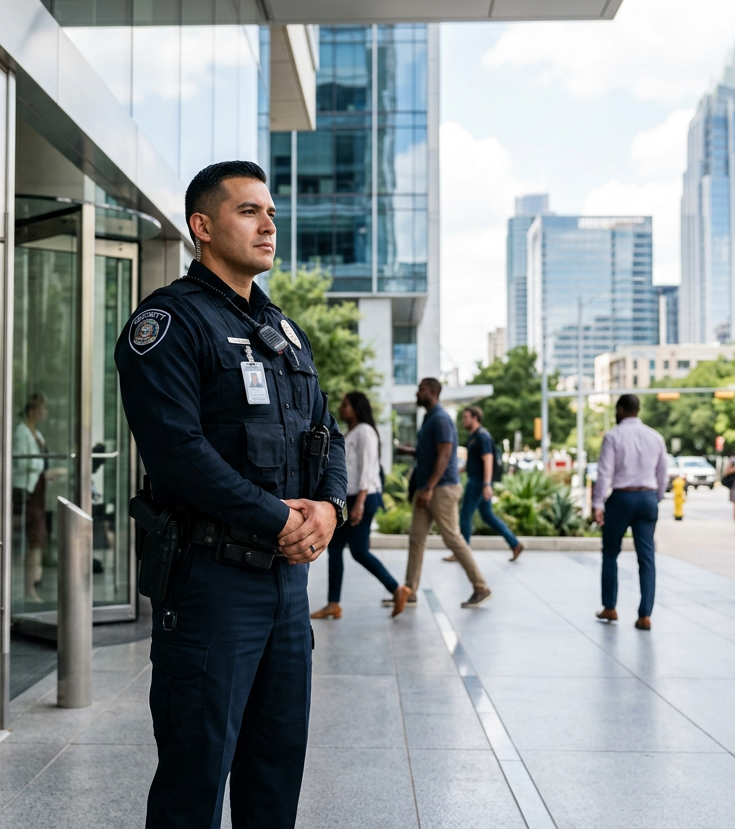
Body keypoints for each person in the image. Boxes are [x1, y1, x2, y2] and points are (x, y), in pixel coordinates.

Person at [115, 161, 347, 829]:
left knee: (275, 772)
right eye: (249, 211)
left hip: (283, 591)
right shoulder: (168, 323)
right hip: (211, 585)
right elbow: (178, 455)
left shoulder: (285, 330)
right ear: (203, 227)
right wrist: (280, 518)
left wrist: (328, 509)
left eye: (270, 212)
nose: (269, 223)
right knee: (196, 776)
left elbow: (325, 434)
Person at [311, 392, 411, 620]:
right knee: (335, 549)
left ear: (357, 408)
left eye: (346, 405)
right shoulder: (352, 432)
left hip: (363, 498)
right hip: (350, 498)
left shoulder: (365, 432)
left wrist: (360, 504)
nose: (341, 408)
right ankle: (333, 604)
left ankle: (397, 589)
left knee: (359, 550)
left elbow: (368, 469)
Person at [401, 378, 491, 608]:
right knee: (416, 539)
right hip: (428, 488)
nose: (417, 392)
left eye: (420, 389)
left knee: (452, 538)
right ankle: (409, 590)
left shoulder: (440, 418)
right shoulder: (430, 418)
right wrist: (413, 451)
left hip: (441, 488)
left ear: (432, 392)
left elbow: (445, 454)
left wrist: (429, 487)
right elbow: (431, 453)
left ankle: (480, 587)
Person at [591, 393, 668, 631]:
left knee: (611, 553)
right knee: (647, 557)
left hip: (622, 498)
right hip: (647, 498)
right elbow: (662, 474)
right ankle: (645, 615)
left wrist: (598, 503)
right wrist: (655, 497)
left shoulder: (613, 436)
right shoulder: (655, 437)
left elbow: (605, 472)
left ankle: (610, 607)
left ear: (621, 410)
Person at [456, 406, 522, 560]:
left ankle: (463, 552)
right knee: (487, 515)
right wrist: (460, 470)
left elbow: (488, 460)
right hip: (477, 480)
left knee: (465, 514)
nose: (463, 421)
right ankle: (514, 543)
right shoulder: (473, 437)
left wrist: (486, 484)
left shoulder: (482, 436)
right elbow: (475, 462)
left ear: (475, 418)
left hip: (479, 483)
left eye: (466, 417)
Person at [13, 392, 51, 603]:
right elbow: (22, 462)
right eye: (42, 408)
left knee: (37, 537)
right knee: (34, 538)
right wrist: (42, 469)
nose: (45, 412)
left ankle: (33, 584)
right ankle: (29, 589)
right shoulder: (22, 432)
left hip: (37, 489)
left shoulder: (36, 433)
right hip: (27, 491)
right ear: (32, 410)